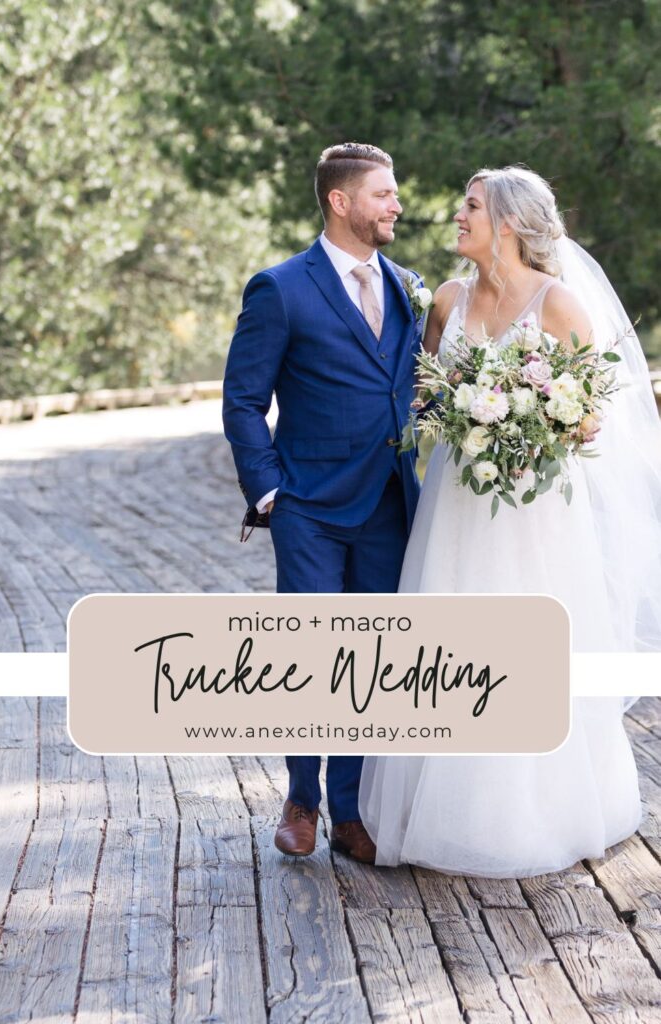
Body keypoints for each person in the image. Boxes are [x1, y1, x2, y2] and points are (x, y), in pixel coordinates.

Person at [359, 166, 661, 878]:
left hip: (535, 512)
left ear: (508, 222)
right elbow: (423, 396)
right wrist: (463, 417)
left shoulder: (559, 303)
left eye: (470, 206)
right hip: (457, 506)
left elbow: (593, 413)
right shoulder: (448, 299)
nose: (457, 216)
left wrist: (537, 429)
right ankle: (441, 812)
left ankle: (532, 815)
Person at [223, 143, 425, 862]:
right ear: (341, 202)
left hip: (390, 505)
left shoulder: (409, 287)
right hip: (306, 506)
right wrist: (268, 490)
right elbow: (243, 400)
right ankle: (301, 799)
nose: (396, 204)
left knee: (370, 658)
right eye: (383, 193)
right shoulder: (280, 289)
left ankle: (350, 810)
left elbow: (416, 386)